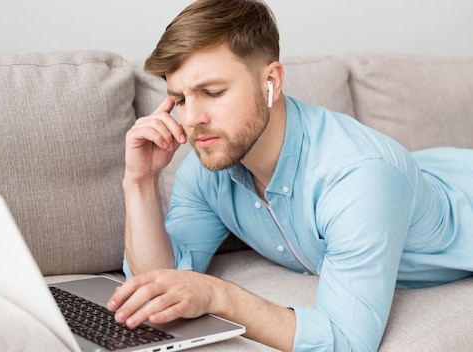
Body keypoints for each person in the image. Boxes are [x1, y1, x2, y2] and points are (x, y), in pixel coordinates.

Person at [106, 0, 473, 350]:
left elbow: (346, 342)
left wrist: (218, 295)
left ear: (272, 82)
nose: (190, 119)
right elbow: (157, 287)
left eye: (213, 92)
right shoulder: (209, 168)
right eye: (181, 99)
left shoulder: (359, 179)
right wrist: (139, 182)